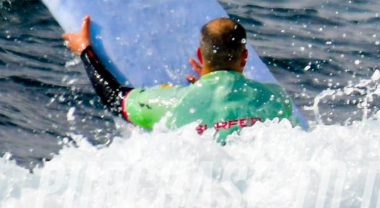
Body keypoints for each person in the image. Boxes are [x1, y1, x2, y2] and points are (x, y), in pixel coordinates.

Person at [67, 14, 295, 140]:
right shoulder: (276, 98)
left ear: (200, 55)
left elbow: (114, 98)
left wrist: (86, 51)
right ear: (245, 57)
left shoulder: (173, 102)